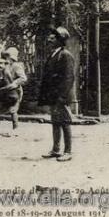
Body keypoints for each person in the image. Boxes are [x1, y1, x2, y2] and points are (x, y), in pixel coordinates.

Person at [38, 27, 75, 161]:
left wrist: (62, 96)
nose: (49, 40)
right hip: (53, 96)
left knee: (65, 122)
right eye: (50, 38)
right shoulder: (54, 55)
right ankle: (56, 150)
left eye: (53, 38)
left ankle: (68, 151)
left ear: (60, 40)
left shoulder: (65, 55)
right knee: (55, 122)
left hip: (61, 96)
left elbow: (69, 78)